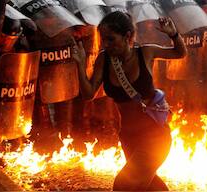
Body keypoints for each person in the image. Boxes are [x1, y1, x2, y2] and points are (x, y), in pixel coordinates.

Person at [72, 11, 187, 191]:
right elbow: (89, 94)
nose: (106, 44)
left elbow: (179, 53)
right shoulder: (104, 59)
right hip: (128, 136)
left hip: (155, 136)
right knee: (148, 186)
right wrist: (79, 64)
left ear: (127, 36)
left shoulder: (146, 52)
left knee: (123, 185)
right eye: (104, 40)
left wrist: (173, 34)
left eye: (111, 39)